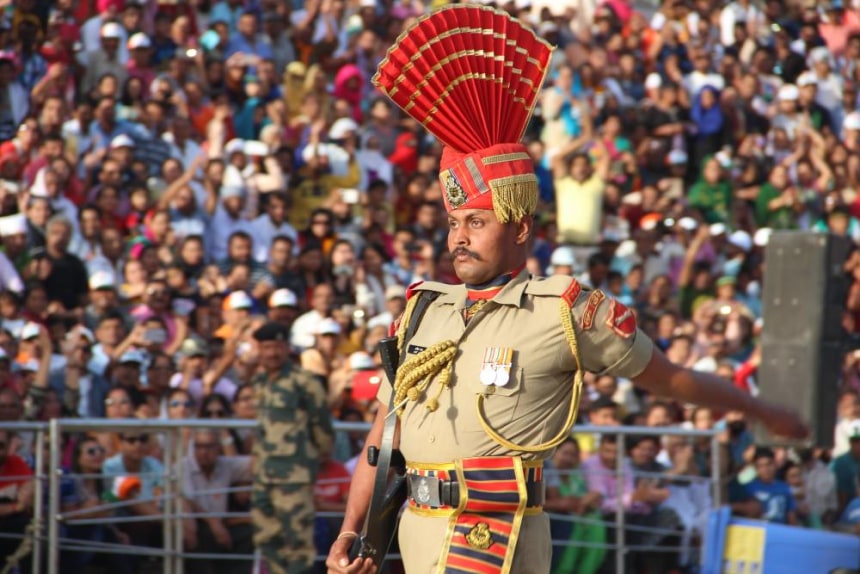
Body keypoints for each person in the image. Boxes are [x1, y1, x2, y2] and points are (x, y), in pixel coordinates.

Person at [325, 7, 808, 574]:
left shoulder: (563, 310)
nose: (459, 238)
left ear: (520, 228)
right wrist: (353, 531)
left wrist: (757, 408)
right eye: (454, 223)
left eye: (476, 222)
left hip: (495, 539)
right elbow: (384, 436)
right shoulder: (423, 309)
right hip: (417, 536)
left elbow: (673, 380)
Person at [251, 321, 334, 574]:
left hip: (294, 476)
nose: (272, 353)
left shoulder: (304, 381)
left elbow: (322, 426)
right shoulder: (259, 382)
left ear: (287, 347)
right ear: (259, 349)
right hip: (263, 475)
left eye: (277, 347)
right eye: (266, 347)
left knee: (298, 543)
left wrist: (315, 460)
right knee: (267, 539)